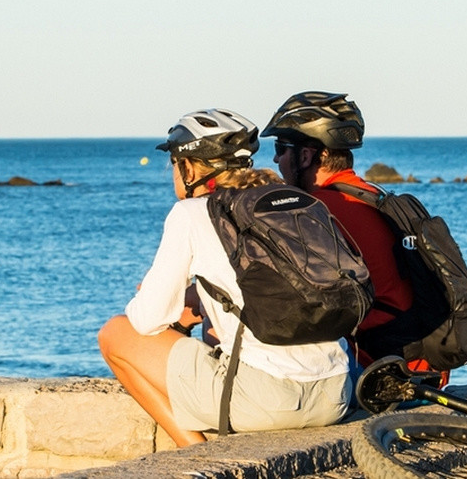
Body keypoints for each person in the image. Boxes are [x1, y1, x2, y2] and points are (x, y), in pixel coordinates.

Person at [97, 109, 353, 447]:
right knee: (204, 313)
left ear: (187, 168)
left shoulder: (191, 213)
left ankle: (194, 452)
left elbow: (146, 321)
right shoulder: (291, 203)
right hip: (337, 392)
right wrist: (195, 299)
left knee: (116, 333)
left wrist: (158, 296)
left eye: (174, 165)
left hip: (269, 402)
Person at [260, 91, 448, 385]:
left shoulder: (317, 212)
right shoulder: (372, 196)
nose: (275, 158)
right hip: (419, 359)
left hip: (377, 365)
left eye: (281, 147)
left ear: (307, 155)